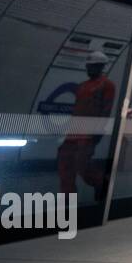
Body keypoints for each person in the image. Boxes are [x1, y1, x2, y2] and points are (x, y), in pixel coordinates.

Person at [57, 50, 116, 200]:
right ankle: (68, 198)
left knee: (81, 165)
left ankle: (100, 183)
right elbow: (77, 109)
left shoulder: (107, 85)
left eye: (92, 66)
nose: (88, 69)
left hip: (89, 132)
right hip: (74, 131)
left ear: (100, 67)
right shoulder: (82, 86)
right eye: (88, 66)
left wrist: (98, 131)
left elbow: (106, 109)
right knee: (65, 164)